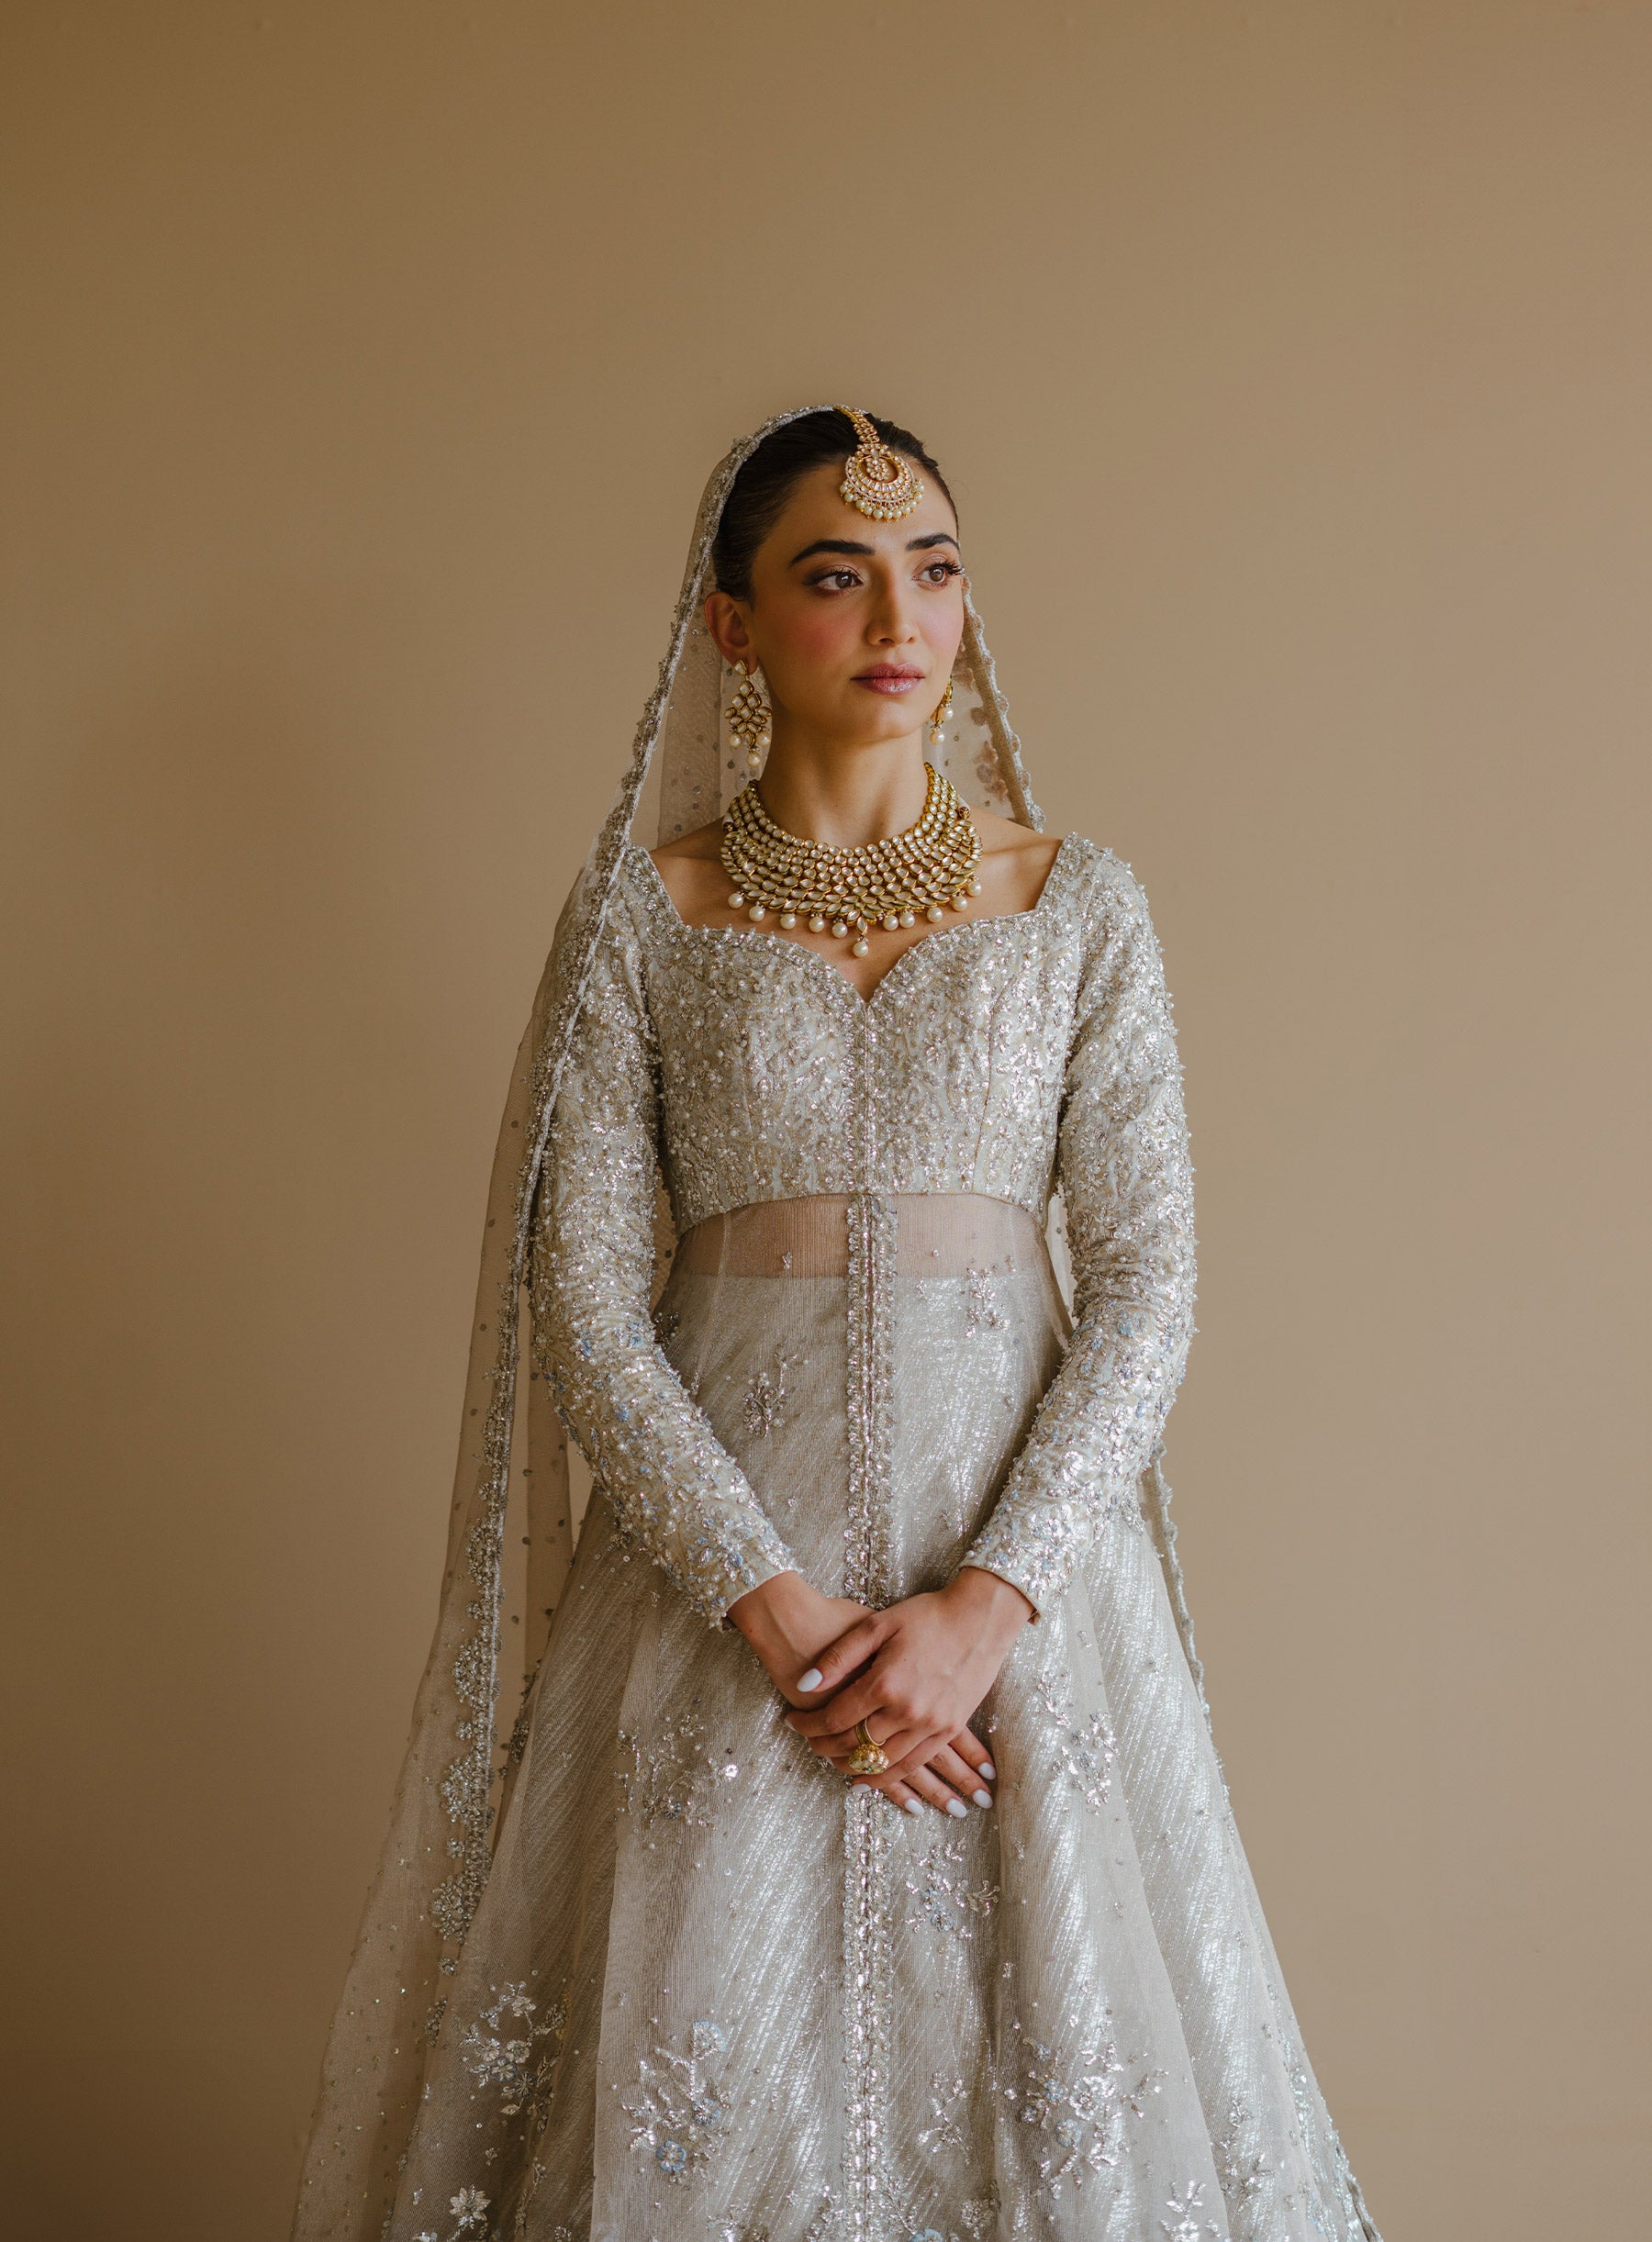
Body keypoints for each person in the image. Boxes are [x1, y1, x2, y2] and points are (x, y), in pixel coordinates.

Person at [294, 408, 1381, 2242]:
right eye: (836, 572)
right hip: (721, 1619)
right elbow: (583, 1295)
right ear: (732, 626)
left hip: (1021, 1622)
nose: (902, 611)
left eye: (936, 568)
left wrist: (984, 1610)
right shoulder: (643, 917)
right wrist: (784, 1618)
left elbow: (1147, 1283)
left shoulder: (1079, 911)